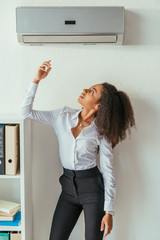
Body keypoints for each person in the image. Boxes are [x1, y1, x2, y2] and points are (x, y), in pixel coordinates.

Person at [20, 60, 136, 240]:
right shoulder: (61, 116)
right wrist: (36, 80)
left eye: (92, 91)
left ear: (98, 106)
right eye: (89, 88)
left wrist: (109, 211)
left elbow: (107, 170)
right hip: (67, 189)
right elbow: (26, 112)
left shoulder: (101, 132)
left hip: (92, 190)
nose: (84, 90)